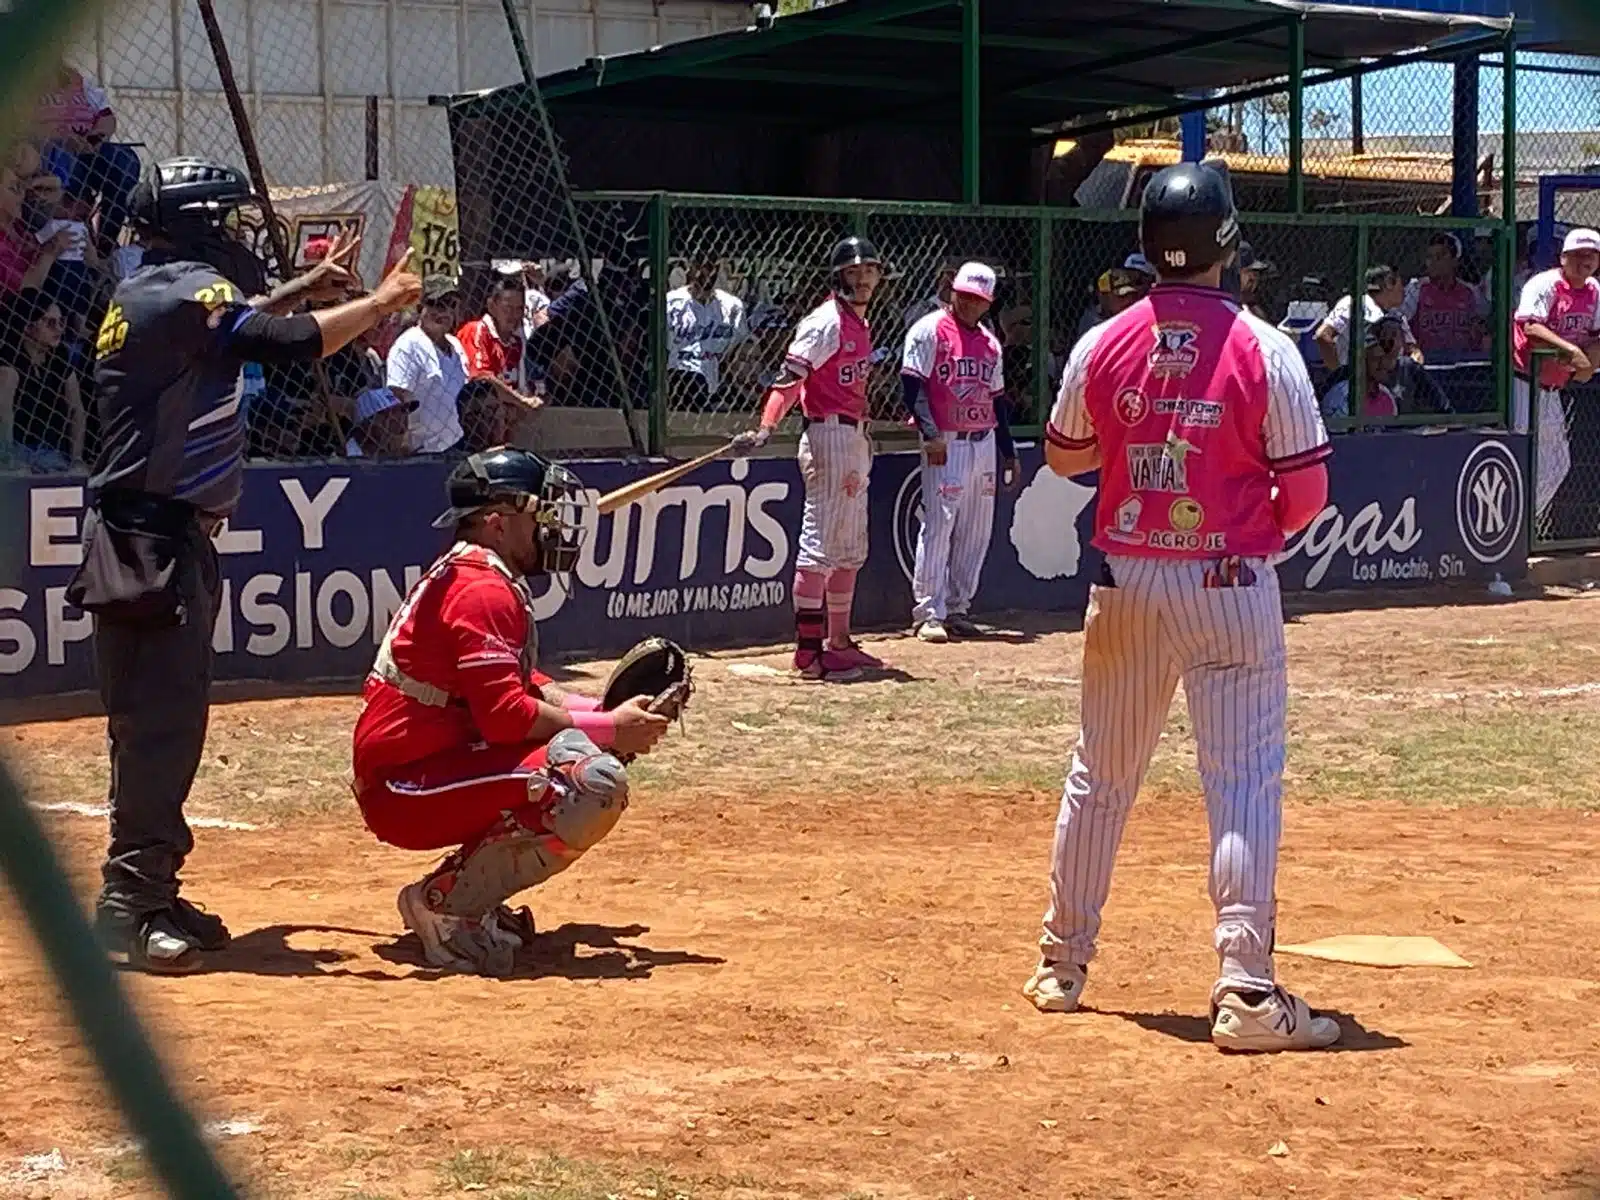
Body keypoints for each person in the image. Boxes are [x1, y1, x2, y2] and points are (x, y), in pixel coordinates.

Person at [69, 155, 420, 974]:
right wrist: (379, 303)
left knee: (166, 724)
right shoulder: (183, 292)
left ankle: (150, 888)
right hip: (150, 542)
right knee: (157, 728)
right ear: (192, 226)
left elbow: (237, 327)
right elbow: (287, 344)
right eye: (221, 221)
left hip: (157, 537)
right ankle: (129, 904)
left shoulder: (159, 291)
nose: (234, 237)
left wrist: (303, 287)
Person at [1023, 162, 1340, 1053]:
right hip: (1229, 577)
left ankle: (1062, 963)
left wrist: (1145, 440)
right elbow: (1306, 490)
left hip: (1126, 572)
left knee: (1101, 774)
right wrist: (1251, 532)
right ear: (1227, 243)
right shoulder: (1264, 346)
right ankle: (1244, 989)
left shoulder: (1105, 339)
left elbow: (1065, 457)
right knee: (1239, 780)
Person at [351, 447, 671, 975]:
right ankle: (445, 908)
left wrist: (599, 712)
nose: (549, 524)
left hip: (430, 767)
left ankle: (469, 897)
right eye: (537, 511)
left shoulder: (480, 573)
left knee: (576, 755)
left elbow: (519, 686)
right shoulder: (479, 589)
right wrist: (610, 728)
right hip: (403, 786)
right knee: (586, 782)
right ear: (498, 524)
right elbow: (505, 717)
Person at [733, 237, 887, 681]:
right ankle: (807, 652)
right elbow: (789, 381)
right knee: (818, 546)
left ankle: (839, 642)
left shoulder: (859, 321)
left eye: (870, 272)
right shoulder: (825, 323)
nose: (863, 280)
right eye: (854, 273)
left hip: (855, 435)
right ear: (838, 277)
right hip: (828, 436)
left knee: (849, 547)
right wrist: (766, 427)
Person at [900, 261, 1019, 643]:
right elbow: (912, 384)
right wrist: (930, 433)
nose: (968, 304)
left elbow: (997, 400)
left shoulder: (990, 343)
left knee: (975, 530)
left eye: (977, 299)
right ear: (952, 289)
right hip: (947, 440)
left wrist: (1009, 452)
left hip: (982, 440)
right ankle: (928, 612)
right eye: (963, 295)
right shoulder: (929, 329)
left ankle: (957, 607)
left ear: (989, 302)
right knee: (939, 525)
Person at [1513, 227, 1600, 525]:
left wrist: (1588, 362)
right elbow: (1530, 328)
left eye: (1590, 255)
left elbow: (1596, 337)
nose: (1584, 260)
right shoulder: (1545, 284)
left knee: (1557, 465)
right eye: (1577, 254)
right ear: (1563, 257)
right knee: (1523, 458)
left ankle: (1522, 525)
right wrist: (1573, 352)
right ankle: (1515, 528)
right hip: (1523, 383)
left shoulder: (1594, 291)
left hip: (1553, 388)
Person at [0, 288, 86, 469]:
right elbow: (4, 417)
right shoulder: (8, 363)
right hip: (17, 447)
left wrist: (77, 458)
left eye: (61, 322)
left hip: (50, 448)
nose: (59, 329)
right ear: (27, 326)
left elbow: (76, 409)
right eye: (50, 323)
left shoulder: (59, 355)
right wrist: (8, 461)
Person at [386, 277, 468, 453]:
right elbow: (397, 399)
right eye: (438, 304)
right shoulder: (409, 345)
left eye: (451, 305)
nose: (444, 312)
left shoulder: (456, 345)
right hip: (423, 452)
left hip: (458, 446)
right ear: (420, 307)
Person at [457, 272, 543, 435]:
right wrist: (522, 401)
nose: (514, 315)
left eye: (519, 309)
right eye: (508, 308)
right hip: (475, 425)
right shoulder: (477, 330)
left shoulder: (517, 342)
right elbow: (482, 378)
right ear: (492, 306)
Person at [1322, 316, 1450, 424]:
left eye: (1395, 335)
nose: (1391, 341)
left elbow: (1443, 407)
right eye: (1384, 336)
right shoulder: (1344, 380)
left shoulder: (1410, 369)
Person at [665, 254, 747, 410]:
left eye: (712, 266)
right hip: (679, 384)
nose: (706, 272)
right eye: (700, 265)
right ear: (690, 267)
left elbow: (739, 350)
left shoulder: (732, 306)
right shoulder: (670, 303)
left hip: (719, 388)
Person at [1315, 264, 1418, 373]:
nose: (1404, 290)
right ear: (1388, 284)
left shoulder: (1397, 315)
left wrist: (1410, 370)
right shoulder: (1354, 304)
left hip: (1388, 384)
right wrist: (1340, 374)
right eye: (1400, 284)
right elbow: (1323, 335)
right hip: (1355, 382)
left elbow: (1414, 351)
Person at [1401, 233, 1490, 359]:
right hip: (1426, 365)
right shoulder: (1416, 289)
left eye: (1440, 256)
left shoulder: (1470, 292)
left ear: (1455, 261)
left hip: (1463, 365)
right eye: (1429, 257)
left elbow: (1485, 323)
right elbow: (1399, 321)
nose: (1432, 262)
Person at [345, 386, 417, 458]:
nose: (400, 420)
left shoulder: (401, 452)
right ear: (368, 423)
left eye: (402, 410)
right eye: (387, 415)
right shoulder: (351, 456)